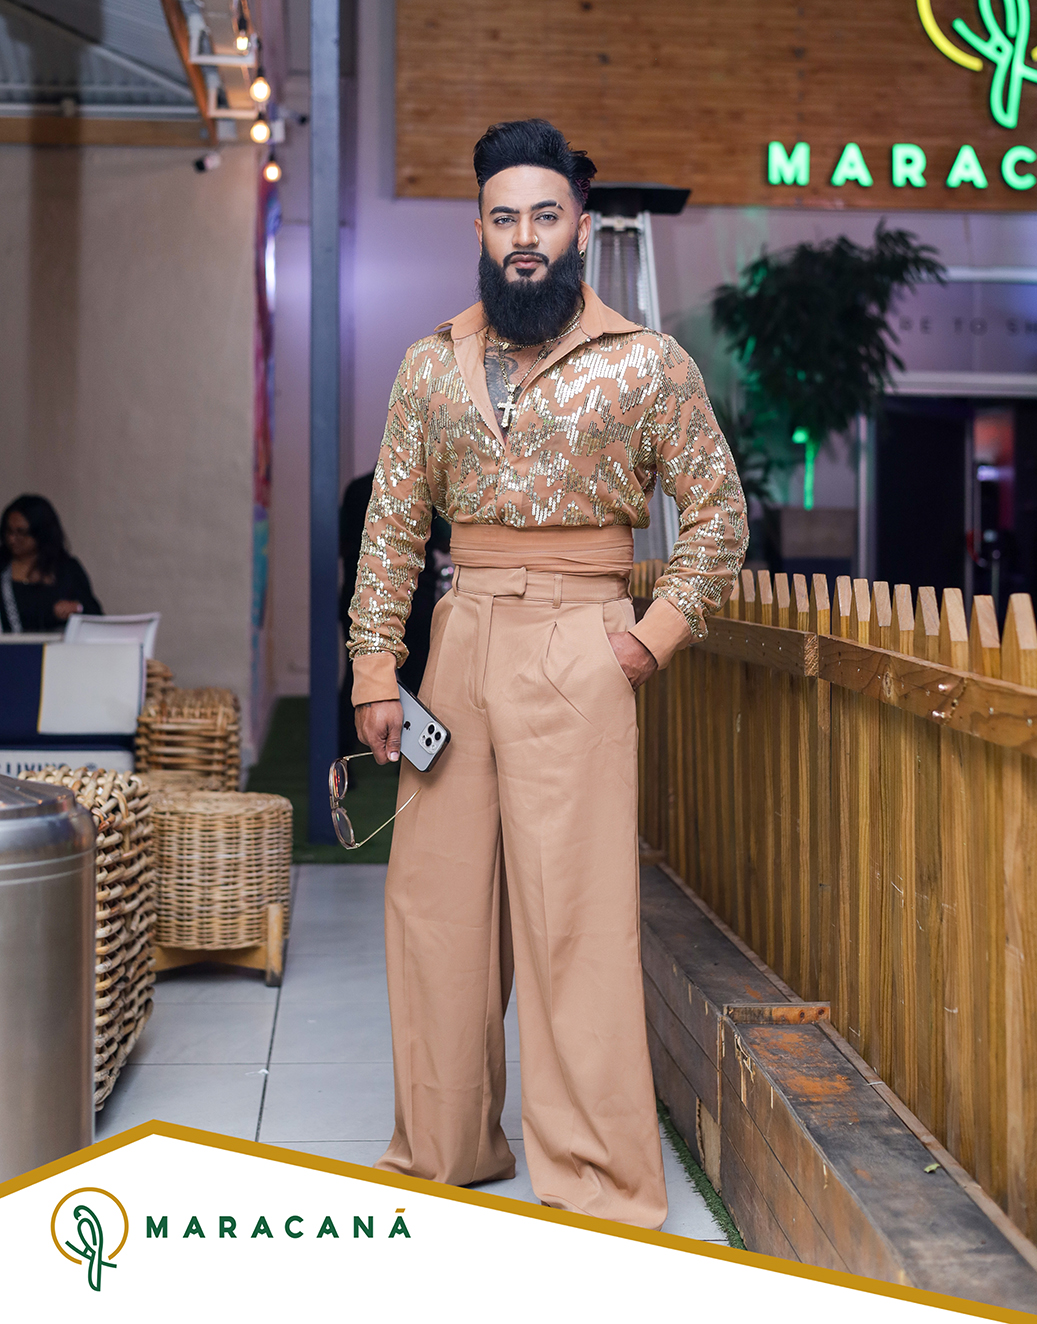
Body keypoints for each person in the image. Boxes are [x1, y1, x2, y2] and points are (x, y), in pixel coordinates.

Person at [346, 120, 747, 1230]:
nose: (524, 236)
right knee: (433, 908)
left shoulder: (647, 364)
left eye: (545, 215)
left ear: (580, 226)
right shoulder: (430, 362)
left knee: (574, 919)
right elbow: (392, 528)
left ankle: (598, 1184)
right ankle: (442, 1149)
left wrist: (647, 638)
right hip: (459, 641)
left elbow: (718, 518)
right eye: (504, 216)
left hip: (582, 642)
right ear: (479, 229)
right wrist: (376, 671)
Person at [0, 494, 102, 633]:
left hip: (58, 645)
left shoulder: (67, 569)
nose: (12, 539)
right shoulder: (3, 567)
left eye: (21, 532)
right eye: (9, 531)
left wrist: (76, 607)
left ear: (40, 532)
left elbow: (96, 615)